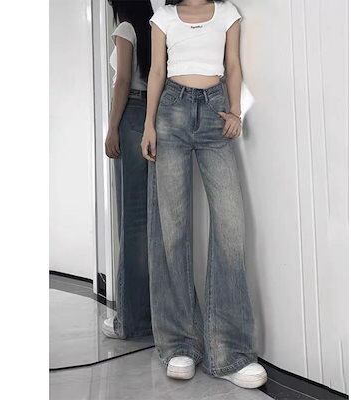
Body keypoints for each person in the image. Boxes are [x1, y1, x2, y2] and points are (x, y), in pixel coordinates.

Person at [142, 0, 267, 389]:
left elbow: (233, 67)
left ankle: (229, 352)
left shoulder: (227, 14)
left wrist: (235, 111)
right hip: (171, 114)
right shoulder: (163, 18)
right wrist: (148, 126)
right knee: (173, 231)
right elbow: (157, 71)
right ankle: (179, 344)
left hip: (215, 113)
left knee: (231, 227)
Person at [102, 0, 154, 340]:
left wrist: (112, 128)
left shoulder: (125, 29)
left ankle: (129, 321)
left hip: (131, 115)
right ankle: (150, 315)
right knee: (149, 222)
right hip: (152, 117)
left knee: (131, 222)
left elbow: (122, 81)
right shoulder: (151, 28)